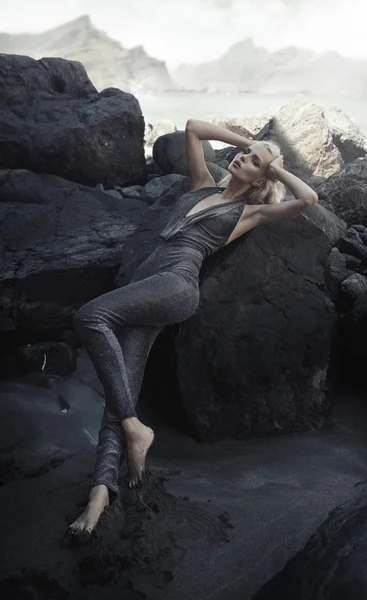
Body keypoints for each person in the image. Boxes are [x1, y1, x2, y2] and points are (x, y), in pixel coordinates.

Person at [68, 119, 318, 538]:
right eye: (245, 154)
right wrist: (250, 142)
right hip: (147, 283)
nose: (243, 158)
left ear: (261, 178)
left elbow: (308, 198)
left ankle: (134, 426)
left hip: (177, 286)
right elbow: (193, 128)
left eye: (253, 161)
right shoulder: (202, 183)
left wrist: (273, 166)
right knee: (121, 388)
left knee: (89, 316)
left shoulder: (250, 212)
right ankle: (101, 490)